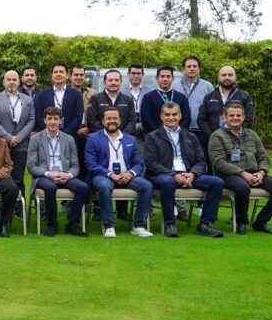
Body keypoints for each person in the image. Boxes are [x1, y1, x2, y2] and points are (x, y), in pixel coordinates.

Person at [144, 102, 225, 237]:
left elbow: (201, 161)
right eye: (167, 115)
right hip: (164, 176)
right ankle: (170, 224)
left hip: (189, 175)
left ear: (180, 116)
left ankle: (205, 225)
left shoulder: (191, 136)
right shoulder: (152, 137)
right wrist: (174, 175)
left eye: (174, 114)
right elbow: (151, 163)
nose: (171, 117)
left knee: (217, 182)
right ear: (161, 117)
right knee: (167, 182)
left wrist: (192, 174)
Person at [209, 103, 272, 234]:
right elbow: (218, 162)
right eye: (231, 115)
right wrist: (242, 173)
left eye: (238, 115)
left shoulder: (252, 134)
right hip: (230, 175)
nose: (235, 118)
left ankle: (260, 222)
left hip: (255, 173)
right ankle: (242, 222)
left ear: (244, 117)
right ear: (225, 117)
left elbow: (263, 157)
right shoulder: (217, 136)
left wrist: (262, 172)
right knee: (242, 187)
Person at [85, 107, 154, 238]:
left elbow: (139, 163)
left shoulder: (130, 139)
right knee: (104, 186)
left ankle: (139, 226)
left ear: (120, 120)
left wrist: (130, 173)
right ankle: (109, 226)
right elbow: (91, 164)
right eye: (108, 118)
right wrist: (111, 174)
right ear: (103, 121)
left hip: (127, 176)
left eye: (115, 118)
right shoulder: (93, 138)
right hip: (104, 176)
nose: (112, 121)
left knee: (147, 186)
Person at [27, 106, 89, 237]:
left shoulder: (69, 139)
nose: (52, 122)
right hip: (44, 176)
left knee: (83, 188)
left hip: (64, 175)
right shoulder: (35, 139)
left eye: (55, 119)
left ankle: (72, 224)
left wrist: (68, 175)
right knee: (50, 188)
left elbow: (75, 166)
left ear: (61, 121)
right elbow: (31, 166)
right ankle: (52, 225)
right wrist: (49, 174)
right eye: (49, 119)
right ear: (44, 120)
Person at [0, 70, 35, 196]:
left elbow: (31, 120)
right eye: (8, 79)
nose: (11, 82)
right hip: (1, 144)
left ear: (19, 82)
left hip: (21, 144)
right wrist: (8, 137)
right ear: (4, 82)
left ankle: (19, 205)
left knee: (18, 177)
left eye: (14, 79)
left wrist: (19, 137)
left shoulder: (28, 100)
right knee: (0, 175)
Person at [198, 65, 255, 138]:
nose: (227, 77)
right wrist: (212, 136)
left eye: (230, 75)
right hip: (213, 140)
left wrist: (239, 137)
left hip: (237, 140)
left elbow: (248, 120)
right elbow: (201, 120)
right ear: (218, 78)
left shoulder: (244, 96)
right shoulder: (209, 97)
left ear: (235, 77)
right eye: (223, 75)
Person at [33, 63, 83, 140]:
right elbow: (39, 116)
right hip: (47, 137)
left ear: (67, 75)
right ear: (52, 75)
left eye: (61, 72)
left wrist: (64, 134)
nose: (58, 74)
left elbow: (78, 117)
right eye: (55, 72)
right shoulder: (42, 95)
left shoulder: (76, 95)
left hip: (69, 137)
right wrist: (50, 132)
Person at [140, 66, 192, 134]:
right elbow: (145, 120)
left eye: (168, 76)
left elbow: (187, 118)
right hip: (156, 137)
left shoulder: (182, 97)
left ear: (173, 78)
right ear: (157, 78)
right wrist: (161, 134)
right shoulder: (148, 97)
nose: (165, 79)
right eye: (162, 76)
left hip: (178, 135)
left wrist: (177, 132)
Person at [87, 69, 136, 136]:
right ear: (104, 82)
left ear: (121, 82)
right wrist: (107, 137)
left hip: (123, 139)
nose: (113, 83)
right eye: (110, 80)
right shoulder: (95, 99)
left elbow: (132, 122)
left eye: (116, 80)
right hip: (101, 139)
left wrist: (122, 137)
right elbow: (92, 121)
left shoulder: (128, 100)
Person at [178, 55, 214, 145]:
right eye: (189, 66)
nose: (192, 69)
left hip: (201, 131)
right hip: (179, 129)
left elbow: (212, 109)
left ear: (199, 69)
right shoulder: (175, 85)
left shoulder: (208, 86)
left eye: (194, 66)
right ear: (183, 69)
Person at [126, 63, 152, 135]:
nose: (136, 76)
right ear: (128, 74)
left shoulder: (151, 92)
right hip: (127, 132)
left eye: (138, 73)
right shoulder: (121, 92)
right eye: (133, 73)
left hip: (147, 133)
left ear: (143, 75)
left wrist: (141, 125)